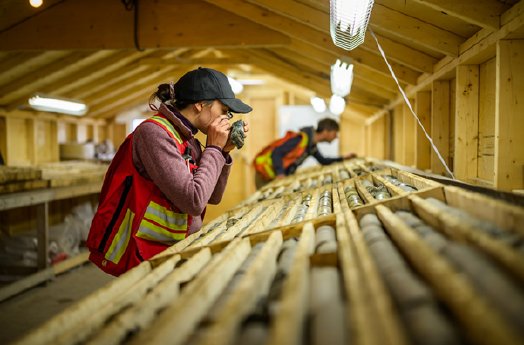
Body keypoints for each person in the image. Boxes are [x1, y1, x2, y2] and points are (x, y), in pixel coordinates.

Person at [87, 67, 252, 276]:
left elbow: (213, 196)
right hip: (142, 253)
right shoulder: (154, 134)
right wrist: (213, 149)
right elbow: (194, 201)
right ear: (201, 105)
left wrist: (224, 151)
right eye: (224, 110)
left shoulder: (188, 139)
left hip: (171, 248)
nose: (226, 118)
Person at [253, 118, 356, 189]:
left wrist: (343, 158)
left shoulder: (311, 146)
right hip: (265, 176)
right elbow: (276, 153)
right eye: (334, 133)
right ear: (326, 132)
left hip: (274, 177)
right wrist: (281, 174)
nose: (336, 137)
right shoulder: (300, 139)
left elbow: (323, 160)